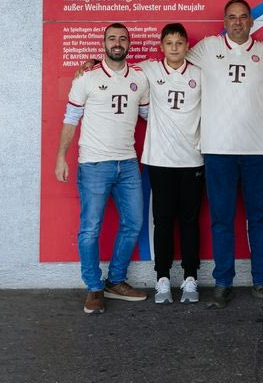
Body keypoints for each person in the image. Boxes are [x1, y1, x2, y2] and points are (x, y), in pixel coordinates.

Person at [187, 0, 263, 307]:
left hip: (257, 149)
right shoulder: (207, 47)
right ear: (225, 21)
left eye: (243, 17)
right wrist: (95, 64)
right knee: (221, 219)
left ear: (252, 21)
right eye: (232, 17)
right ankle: (223, 282)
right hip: (218, 149)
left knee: (259, 218)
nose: (238, 22)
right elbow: (173, 64)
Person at [54, 23, 151, 315]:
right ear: (104, 43)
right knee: (90, 229)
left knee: (133, 223)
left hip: (128, 163)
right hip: (94, 164)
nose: (117, 43)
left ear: (129, 43)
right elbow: (71, 117)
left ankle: (116, 281)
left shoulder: (140, 77)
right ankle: (94, 287)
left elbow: (150, 115)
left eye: (122, 38)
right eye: (112, 38)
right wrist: (61, 156)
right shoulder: (87, 77)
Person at [137, 23, 205, 304]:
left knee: (190, 221)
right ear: (161, 46)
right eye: (169, 43)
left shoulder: (199, 74)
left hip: (192, 159)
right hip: (160, 159)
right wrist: (92, 63)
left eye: (179, 43)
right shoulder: (150, 70)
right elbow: (118, 70)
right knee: (162, 221)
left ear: (187, 45)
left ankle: (190, 277)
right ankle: (162, 278)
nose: (174, 48)